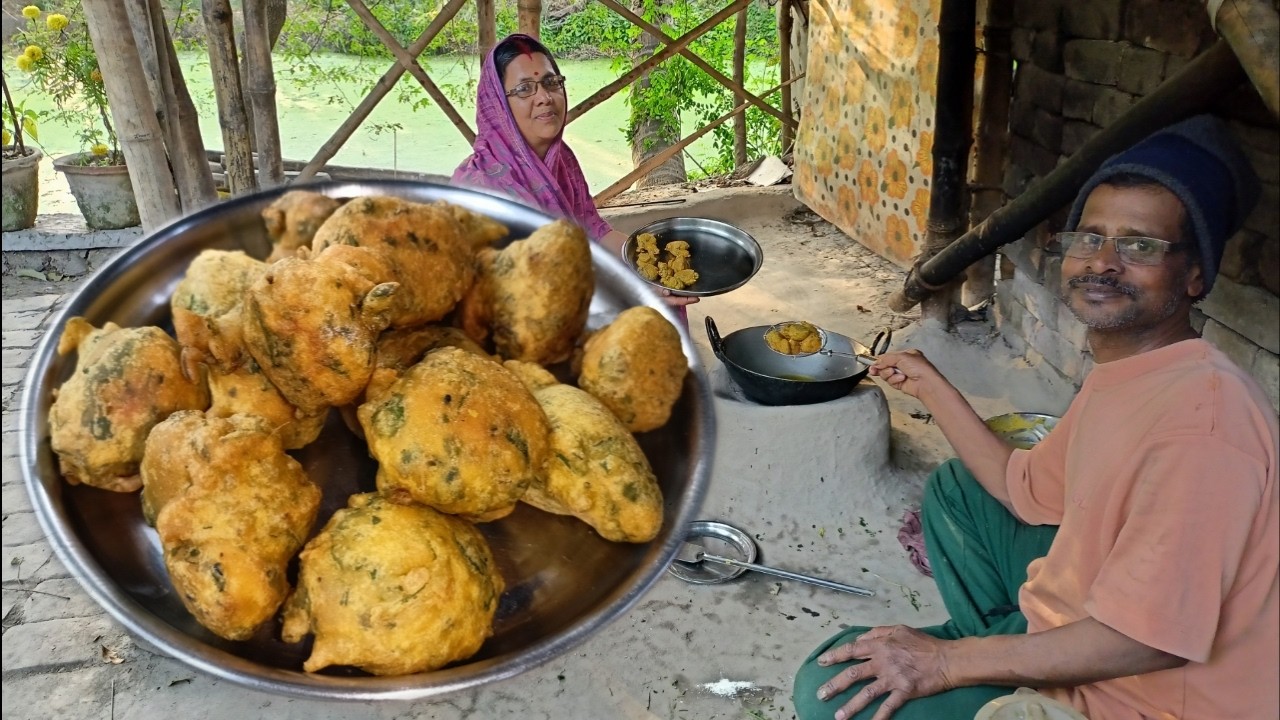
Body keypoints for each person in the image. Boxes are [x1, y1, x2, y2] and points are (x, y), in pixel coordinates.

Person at [792, 114, 1277, 720]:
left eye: (1140, 245)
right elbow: (1022, 490)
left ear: (1196, 275)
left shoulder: (1203, 425)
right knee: (959, 489)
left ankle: (1005, 672)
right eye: (1089, 238)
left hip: (1141, 696)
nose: (1104, 262)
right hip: (1102, 627)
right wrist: (931, 385)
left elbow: (1148, 640)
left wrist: (946, 662)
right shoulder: (1131, 375)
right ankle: (1015, 652)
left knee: (826, 689)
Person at [452, 33, 697, 310]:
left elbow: (594, 231)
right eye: (524, 89)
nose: (544, 97)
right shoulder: (479, 187)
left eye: (550, 82)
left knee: (666, 288)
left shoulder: (562, 159)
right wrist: (630, 288)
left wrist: (649, 260)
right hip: (524, 316)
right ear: (497, 105)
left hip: (573, 291)